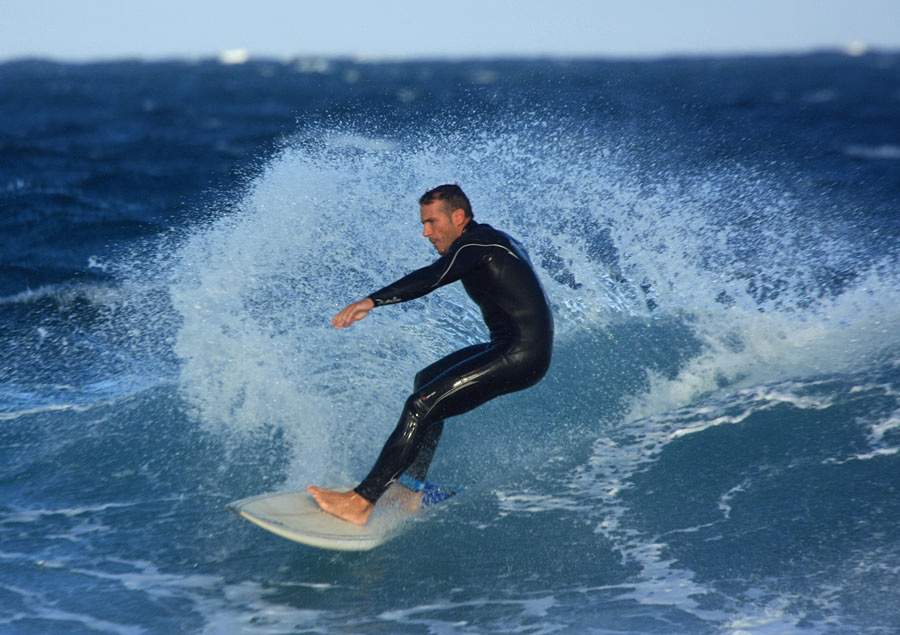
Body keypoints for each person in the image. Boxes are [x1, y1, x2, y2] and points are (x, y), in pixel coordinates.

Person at [307, 184, 554, 525]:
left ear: (458, 217)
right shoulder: (487, 240)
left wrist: (372, 300)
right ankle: (409, 489)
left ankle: (360, 503)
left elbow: (433, 277)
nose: (426, 232)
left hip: (521, 353)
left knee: (420, 404)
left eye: (432, 222)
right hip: (510, 346)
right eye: (423, 224)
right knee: (426, 383)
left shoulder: (477, 244)